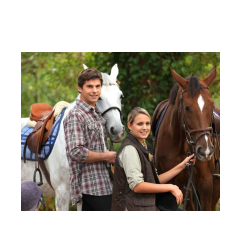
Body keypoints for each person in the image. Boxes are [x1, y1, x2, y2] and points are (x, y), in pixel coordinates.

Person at [112, 107, 194, 211]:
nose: (145, 128)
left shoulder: (142, 146)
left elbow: (154, 180)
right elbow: (138, 186)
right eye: (140, 124)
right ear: (129, 126)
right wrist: (171, 187)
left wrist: (182, 165)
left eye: (147, 123)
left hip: (147, 205)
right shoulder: (130, 149)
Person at [64, 68, 117, 211]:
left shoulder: (95, 113)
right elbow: (76, 152)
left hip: (104, 182)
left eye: (97, 86)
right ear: (79, 88)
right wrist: (105, 156)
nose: (94, 91)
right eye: (90, 86)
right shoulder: (76, 115)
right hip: (90, 186)